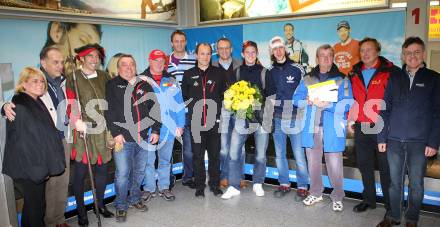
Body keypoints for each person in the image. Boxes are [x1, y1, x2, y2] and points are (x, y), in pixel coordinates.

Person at [2, 46, 72, 227]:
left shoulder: (36, 100)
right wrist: (38, 170)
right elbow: (25, 143)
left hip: (44, 158)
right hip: (31, 168)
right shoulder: (20, 105)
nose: (40, 84)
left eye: (42, 82)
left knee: (37, 205)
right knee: (35, 208)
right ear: (23, 83)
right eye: (35, 81)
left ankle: (57, 219)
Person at [376, 37, 440, 227]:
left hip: (419, 143)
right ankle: (394, 216)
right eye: (408, 53)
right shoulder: (394, 78)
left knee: (416, 184)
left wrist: (433, 142)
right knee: (394, 183)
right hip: (394, 140)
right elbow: (384, 109)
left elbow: (438, 113)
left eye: (416, 52)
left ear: (423, 53)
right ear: (403, 55)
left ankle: (412, 219)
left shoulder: (434, 78)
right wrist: (381, 137)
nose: (412, 56)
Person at [293, 44, 353, 211]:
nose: (326, 59)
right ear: (317, 59)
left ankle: (338, 196)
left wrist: (328, 105)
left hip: (332, 129)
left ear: (333, 58)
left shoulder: (342, 79)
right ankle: (316, 192)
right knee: (313, 163)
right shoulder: (307, 79)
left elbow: (348, 103)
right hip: (312, 129)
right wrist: (308, 101)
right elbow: (296, 99)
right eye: (322, 56)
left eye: (329, 56)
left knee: (334, 164)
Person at [105, 54, 161, 222]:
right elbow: (110, 111)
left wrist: (156, 130)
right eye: (124, 65)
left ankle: (135, 199)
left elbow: (154, 108)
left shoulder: (144, 85)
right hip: (123, 139)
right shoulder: (112, 85)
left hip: (143, 138)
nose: (129, 68)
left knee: (139, 171)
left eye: (132, 64)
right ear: (118, 68)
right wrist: (116, 133)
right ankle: (121, 205)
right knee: (122, 173)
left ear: (136, 66)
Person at [348, 37, 399, 215]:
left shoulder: (391, 71)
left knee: (386, 168)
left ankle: (390, 206)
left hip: (383, 127)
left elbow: (398, 101)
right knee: (364, 165)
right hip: (362, 126)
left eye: (369, 49)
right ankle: (369, 200)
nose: (365, 53)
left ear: (377, 51)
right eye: (362, 50)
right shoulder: (354, 73)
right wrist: (350, 119)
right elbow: (352, 100)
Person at [66, 43, 114, 226]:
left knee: (102, 171)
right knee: (79, 174)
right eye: (90, 56)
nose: (95, 60)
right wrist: (77, 121)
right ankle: (81, 212)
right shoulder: (73, 78)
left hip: (102, 131)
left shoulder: (104, 76)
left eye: (97, 56)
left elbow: (112, 101)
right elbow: (71, 103)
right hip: (84, 131)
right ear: (82, 58)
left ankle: (99, 205)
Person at [221, 40, 270, 199]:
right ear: (242, 54)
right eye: (247, 52)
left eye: (253, 52)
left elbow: (272, 97)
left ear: (257, 54)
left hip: (261, 118)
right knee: (234, 152)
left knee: (260, 154)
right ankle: (234, 186)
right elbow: (232, 95)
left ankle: (257, 183)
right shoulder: (236, 72)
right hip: (241, 117)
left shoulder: (264, 72)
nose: (250, 55)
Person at [266, 36, 309, 200]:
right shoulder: (270, 71)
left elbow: (306, 90)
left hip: (295, 117)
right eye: (274, 48)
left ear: (285, 49)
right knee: (279, 154)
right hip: (277, 119)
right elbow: (269, 96)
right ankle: (284, 183)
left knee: (299, 154)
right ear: (271, 52)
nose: (278, 51)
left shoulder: (297, 68)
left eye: (280, 47)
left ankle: (303, 186)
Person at [139, 49, 185, 202]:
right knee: (148, 161)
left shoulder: (171, 79)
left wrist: (181, 124)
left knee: (166, 160)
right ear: (149, 60)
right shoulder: (141, 79)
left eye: (161, 61)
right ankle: (149, 188)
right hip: (147, 128)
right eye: (155, 60)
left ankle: (164, 187)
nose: (159, 63)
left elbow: (179, 103)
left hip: (168, 128)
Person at [181, 43, 225, 197]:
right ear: (196, 55)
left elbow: (223, 95)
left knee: (214, 156)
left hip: (214, 122)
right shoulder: (188, 74)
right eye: (202, 53)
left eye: (208, 54)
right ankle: (200, 186)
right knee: (198, 156)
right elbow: (185, 97)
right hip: (196, 123)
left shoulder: (219, 73)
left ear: (211, 55)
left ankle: (214, 185)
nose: (205, 57)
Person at [211, 37, 246, 189]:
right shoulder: (211, 65)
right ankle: (224, 176)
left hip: (239, 111)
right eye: (221, 48)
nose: (224, 51)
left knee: (240, 147)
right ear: (217, 50)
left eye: (227, 48)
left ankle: (239, 177)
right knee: (224, 147)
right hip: (221, 111)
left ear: (231, 49)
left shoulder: (241, 64)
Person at [166, 30, 197, 188]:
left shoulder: (194, 59)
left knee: (189, 149)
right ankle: (168, 179)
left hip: (189, 112)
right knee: (168, 149)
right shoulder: (164, 61)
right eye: (176, 41)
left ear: (186, 42)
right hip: (170, 112)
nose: (179, 44)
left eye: (182, 41)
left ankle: (187, 177)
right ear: (172, 43)